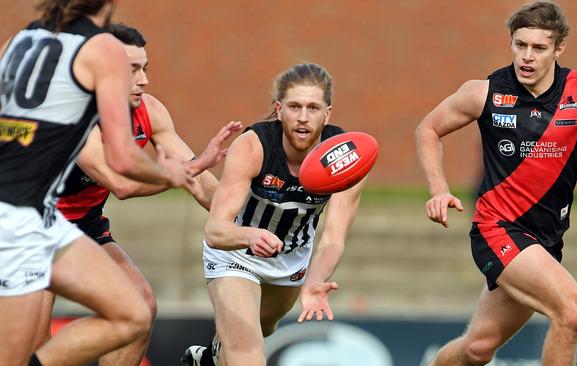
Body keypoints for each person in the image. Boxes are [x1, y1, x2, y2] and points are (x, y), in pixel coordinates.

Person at [415, 1, 577, 365]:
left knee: (477, 348)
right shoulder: (485, 92)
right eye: (520, 45)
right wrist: (438, 189)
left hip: (545, 240)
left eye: (539, 48)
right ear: (511, 42)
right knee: (573, 312)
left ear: (558, 49)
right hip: (497, 230)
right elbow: (428, 129)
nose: (527, 56)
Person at [30, 23, 242, 366]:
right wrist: (188, 169)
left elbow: (200, 183)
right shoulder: (72, 117)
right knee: (30, 348)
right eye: (132, 70)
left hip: (83, 226)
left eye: (145, 68)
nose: (144, 79)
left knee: (141, 307)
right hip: (31, 229)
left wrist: (251, 224)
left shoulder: (151, 110)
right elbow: (122, 184)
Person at [0, 1, 195, 365]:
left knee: (134, 312)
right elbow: (121, 160)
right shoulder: (102, 48)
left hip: (40, 216)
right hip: (16, 219)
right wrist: (170, 173)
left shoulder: (21, 39)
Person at [180, 63, 364, 366]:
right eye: (294, 106)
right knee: (248, 357)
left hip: (292, 259)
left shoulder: (344, 158)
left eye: (313, 108)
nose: (303, 117)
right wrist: (250, 235)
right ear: (279, 109)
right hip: (235, 253)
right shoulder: (253, 146)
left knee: (262, 329)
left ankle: (211, 358)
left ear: (327, 113)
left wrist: (316, 280)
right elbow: (216, 229)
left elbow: (333, 238)